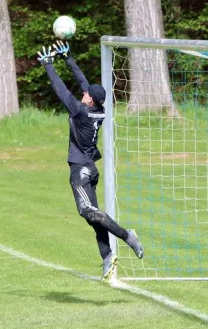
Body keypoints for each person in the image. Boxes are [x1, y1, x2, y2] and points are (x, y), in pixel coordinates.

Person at [37, 41, 144, 282]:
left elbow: (61, 90)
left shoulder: (81, 111)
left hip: (81, 170)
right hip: (90, 168)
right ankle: (107, 257)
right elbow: (83, 83)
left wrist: (48, 66)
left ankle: (127, 236)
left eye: (86, 94)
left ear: (89, 100)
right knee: (92, 215)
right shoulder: (99, 109)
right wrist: (69, 60)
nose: (83, 93)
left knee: (87, 210)